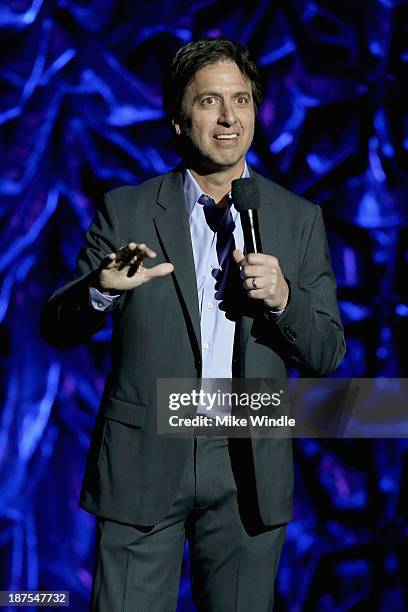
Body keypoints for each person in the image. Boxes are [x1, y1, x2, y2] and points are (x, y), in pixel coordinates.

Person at [41, 38, 345, 611]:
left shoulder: (299, 219)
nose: (229, 117)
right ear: (180, 121)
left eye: (242, 100)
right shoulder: (126, 210)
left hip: (248, 461)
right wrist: (101, 291)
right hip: (143, 456)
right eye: (210, 101)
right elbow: (56, 326)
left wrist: (283, 299)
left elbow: (328, 352)